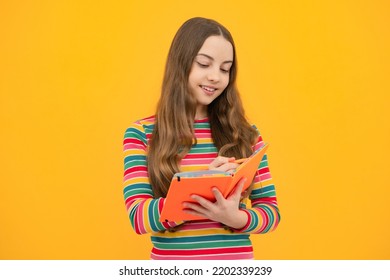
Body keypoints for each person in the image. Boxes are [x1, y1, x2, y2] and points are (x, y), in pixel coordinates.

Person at [123, 17, 280, 260]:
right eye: (204, 64)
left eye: (225, 68)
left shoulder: (246, 134)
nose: (215, 77)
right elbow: (139, 217)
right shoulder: (142, 133)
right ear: (181, 63)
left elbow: (271, 213)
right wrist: (201, 185)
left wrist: (235, 218)